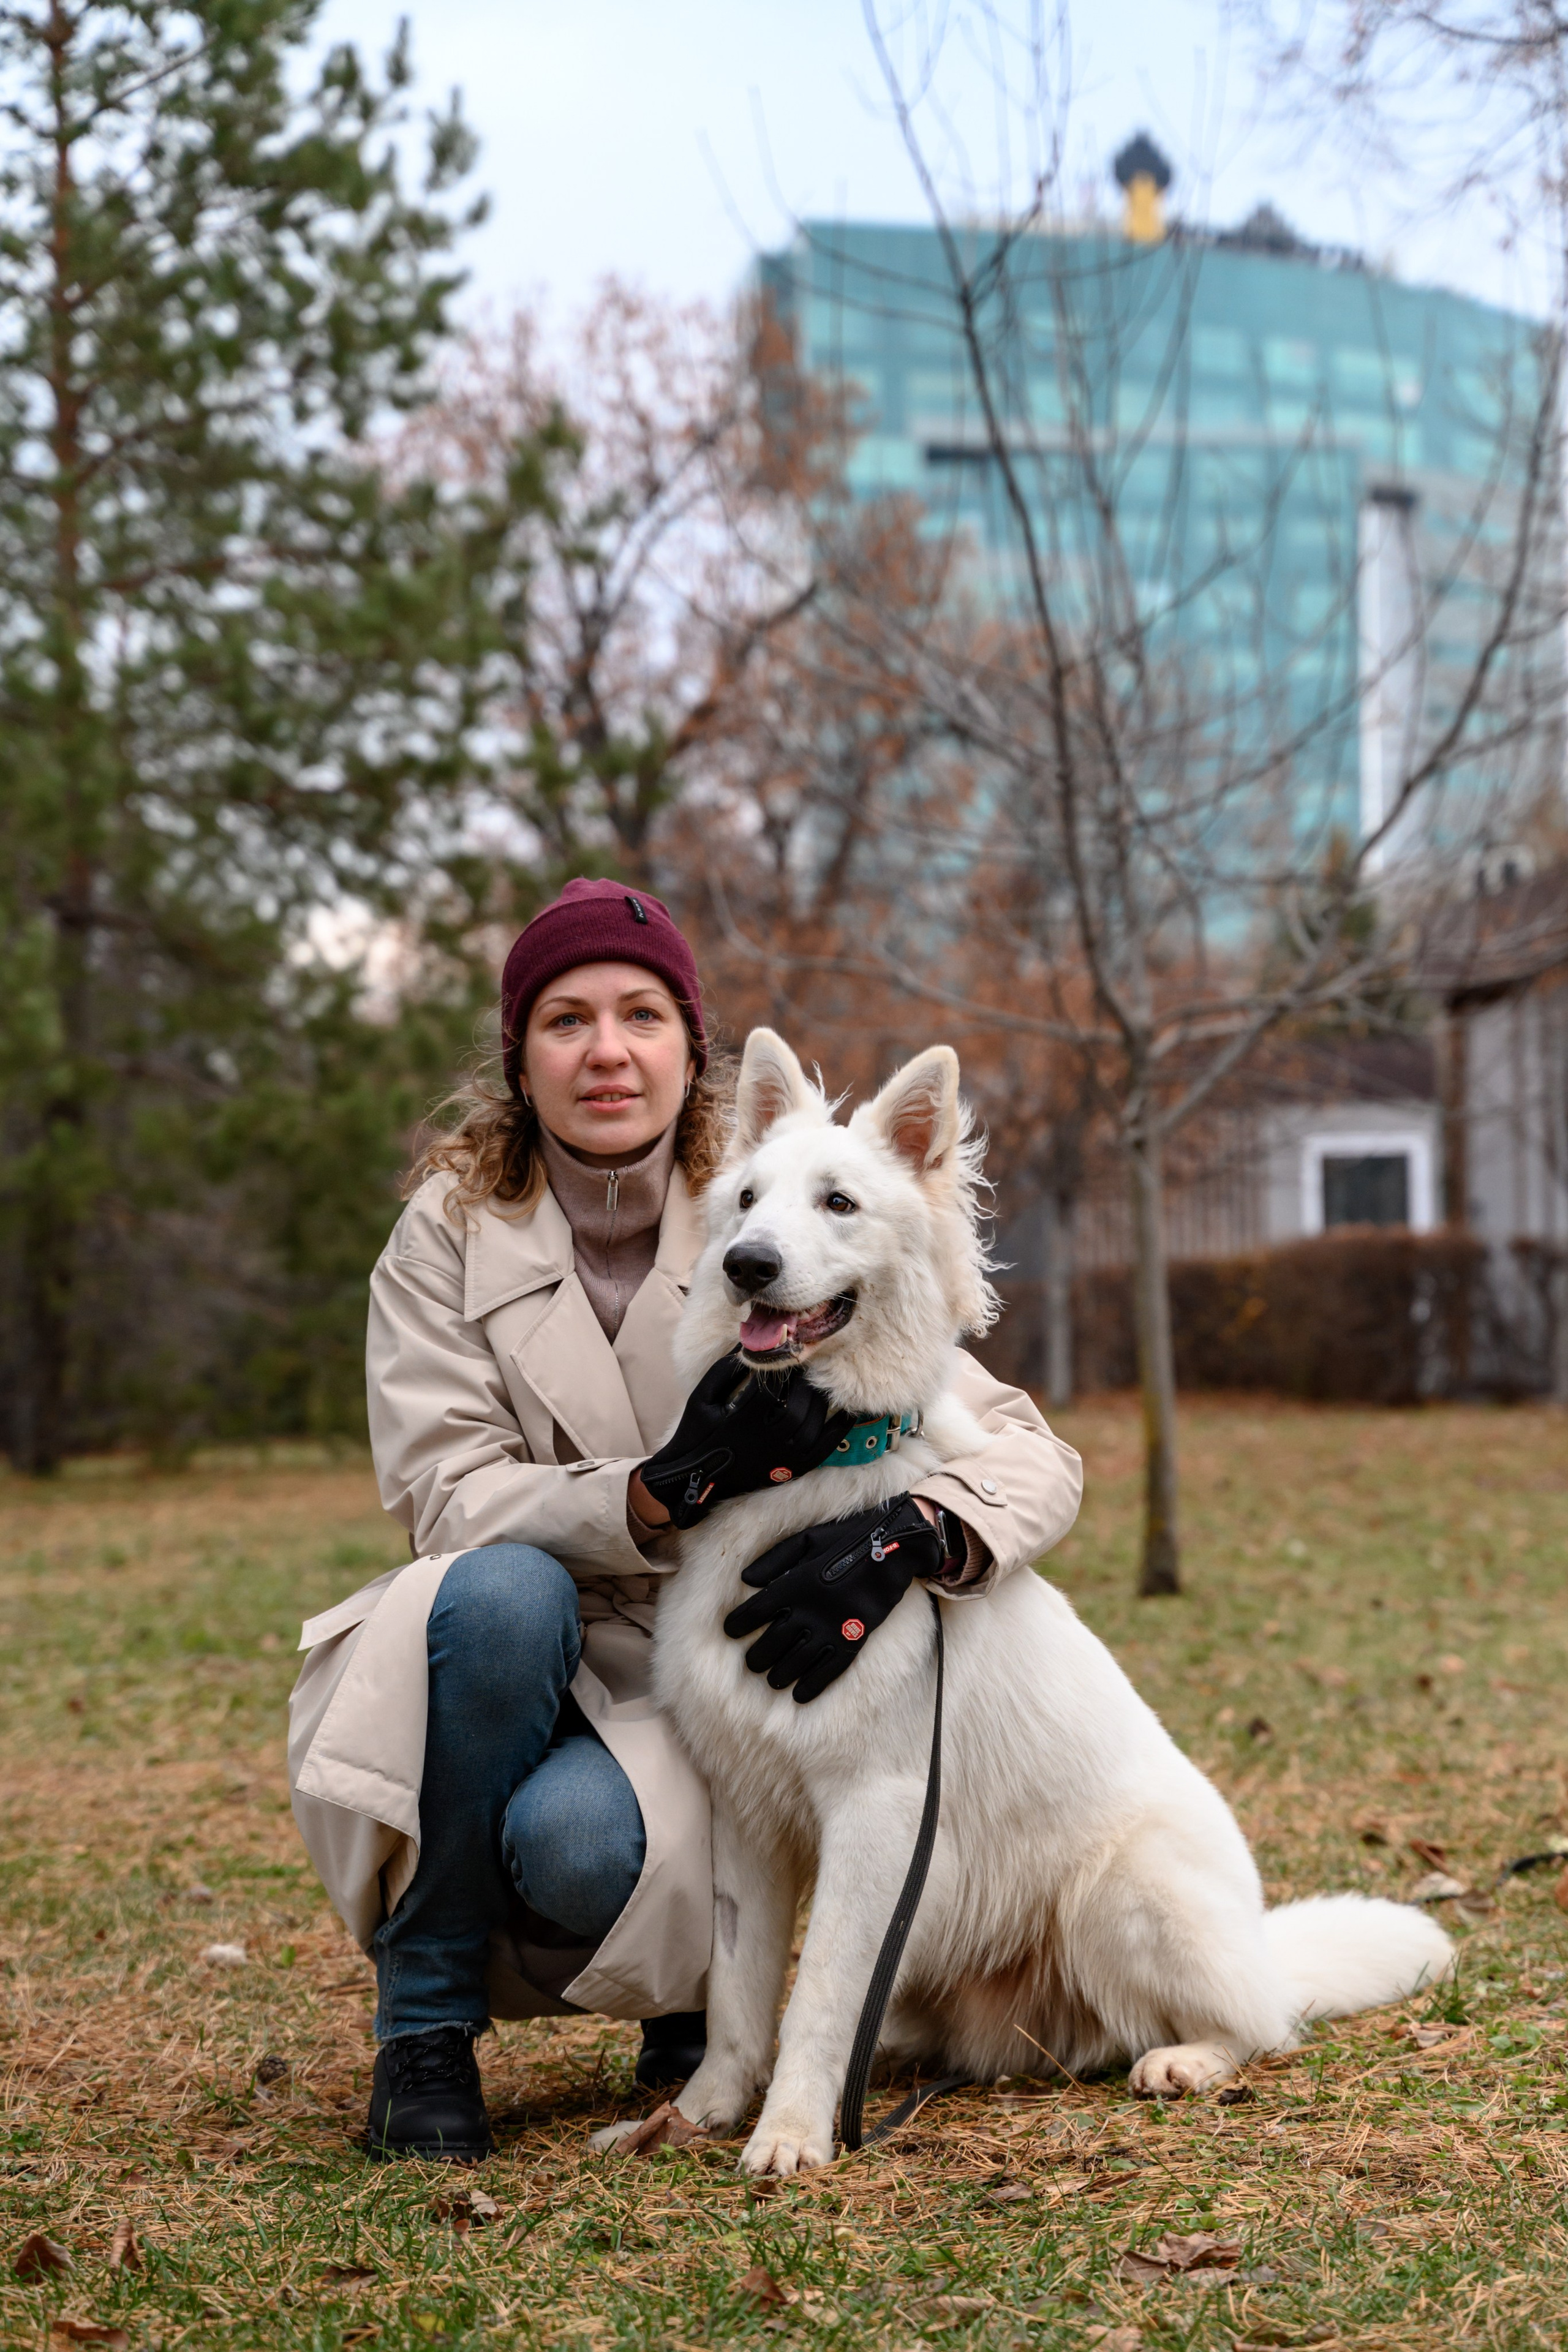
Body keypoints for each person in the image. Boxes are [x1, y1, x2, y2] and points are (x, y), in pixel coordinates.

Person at [288, 877, 1083, 2161]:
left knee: (581, 1849)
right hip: (494, 1657)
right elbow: (445, 1494)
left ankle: (686, 2013)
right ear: (519, 1054)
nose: (606, 1051)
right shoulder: (443, 1234)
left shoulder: (779, 1200)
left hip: (707, 1666)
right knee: (500, 1592)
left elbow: (1016, 1445)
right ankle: (424, 2025)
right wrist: (659, 1491)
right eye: (566, 1019)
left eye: (640, 1016)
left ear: (687, 1047)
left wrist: (917, 1534)